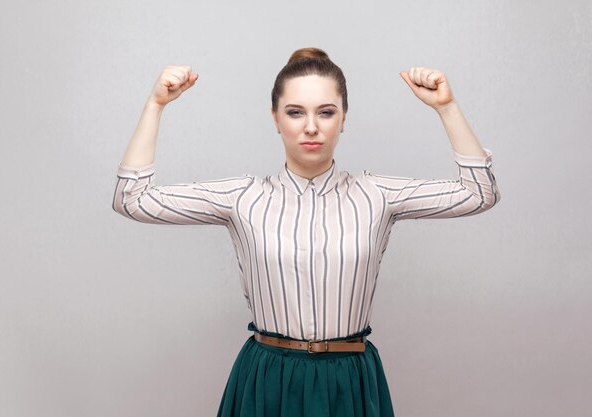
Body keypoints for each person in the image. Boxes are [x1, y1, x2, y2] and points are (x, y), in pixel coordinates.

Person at [112, 47, 500, 417]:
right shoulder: (242, 197)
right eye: (295, 112)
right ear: (275, 117)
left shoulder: (377, 195)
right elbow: (131, 199)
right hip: (267, 380)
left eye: (326, 112)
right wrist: (155, 105)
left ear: (344, 117)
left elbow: (479, 193)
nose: (311, 127)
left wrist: (446, 107)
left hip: (350, 381)